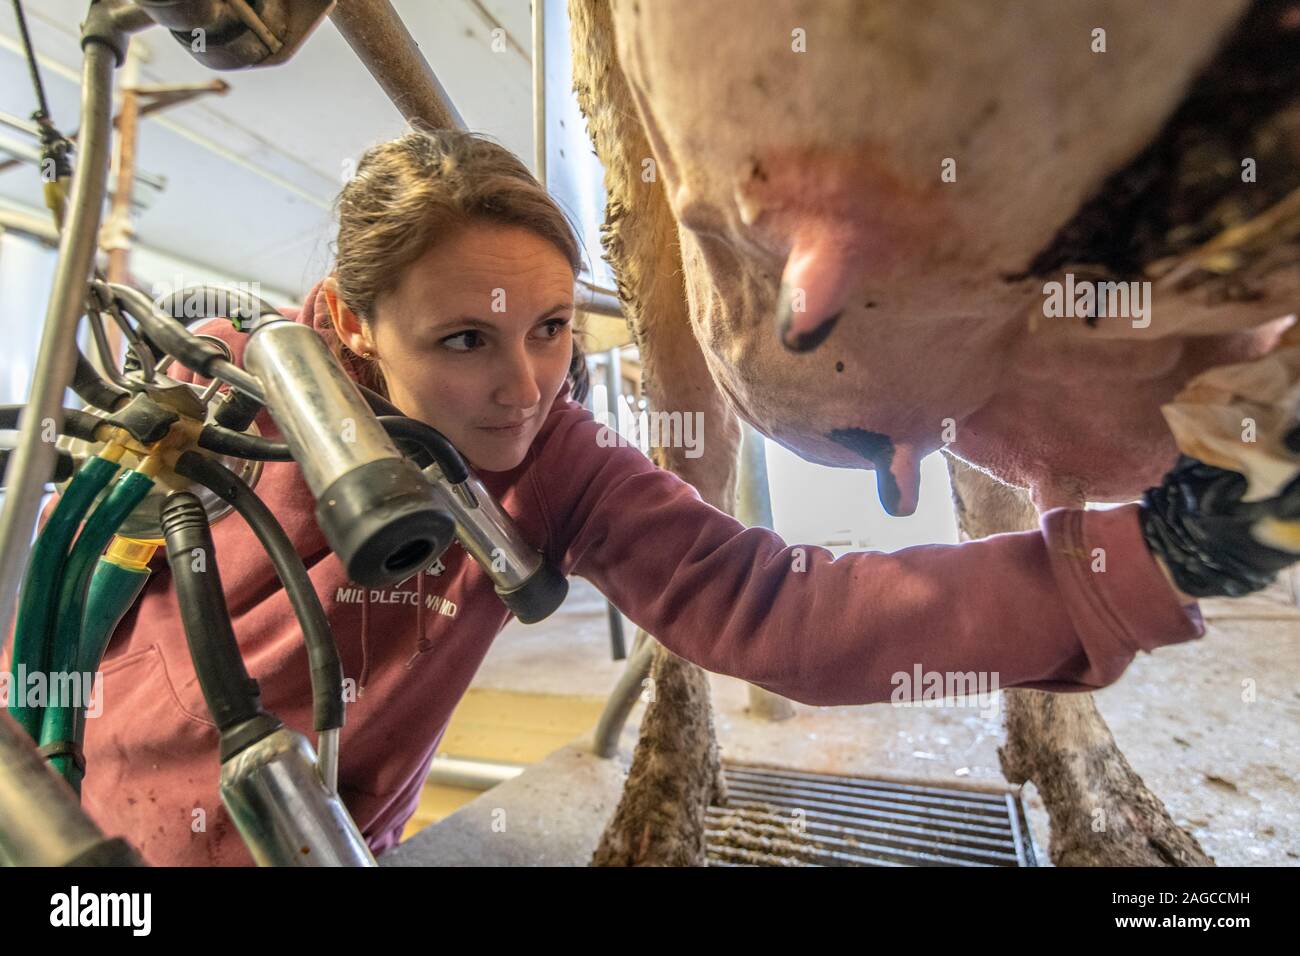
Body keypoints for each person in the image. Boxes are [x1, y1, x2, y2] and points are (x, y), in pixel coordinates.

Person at [14, 129, 1300, 866]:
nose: (525, 386)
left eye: (554, 330)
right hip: (96, 837)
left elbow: (787, 611)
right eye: (465, 338)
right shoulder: (216, 409)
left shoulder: (553, 464)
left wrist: (1156, 553)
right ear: (351, 320)